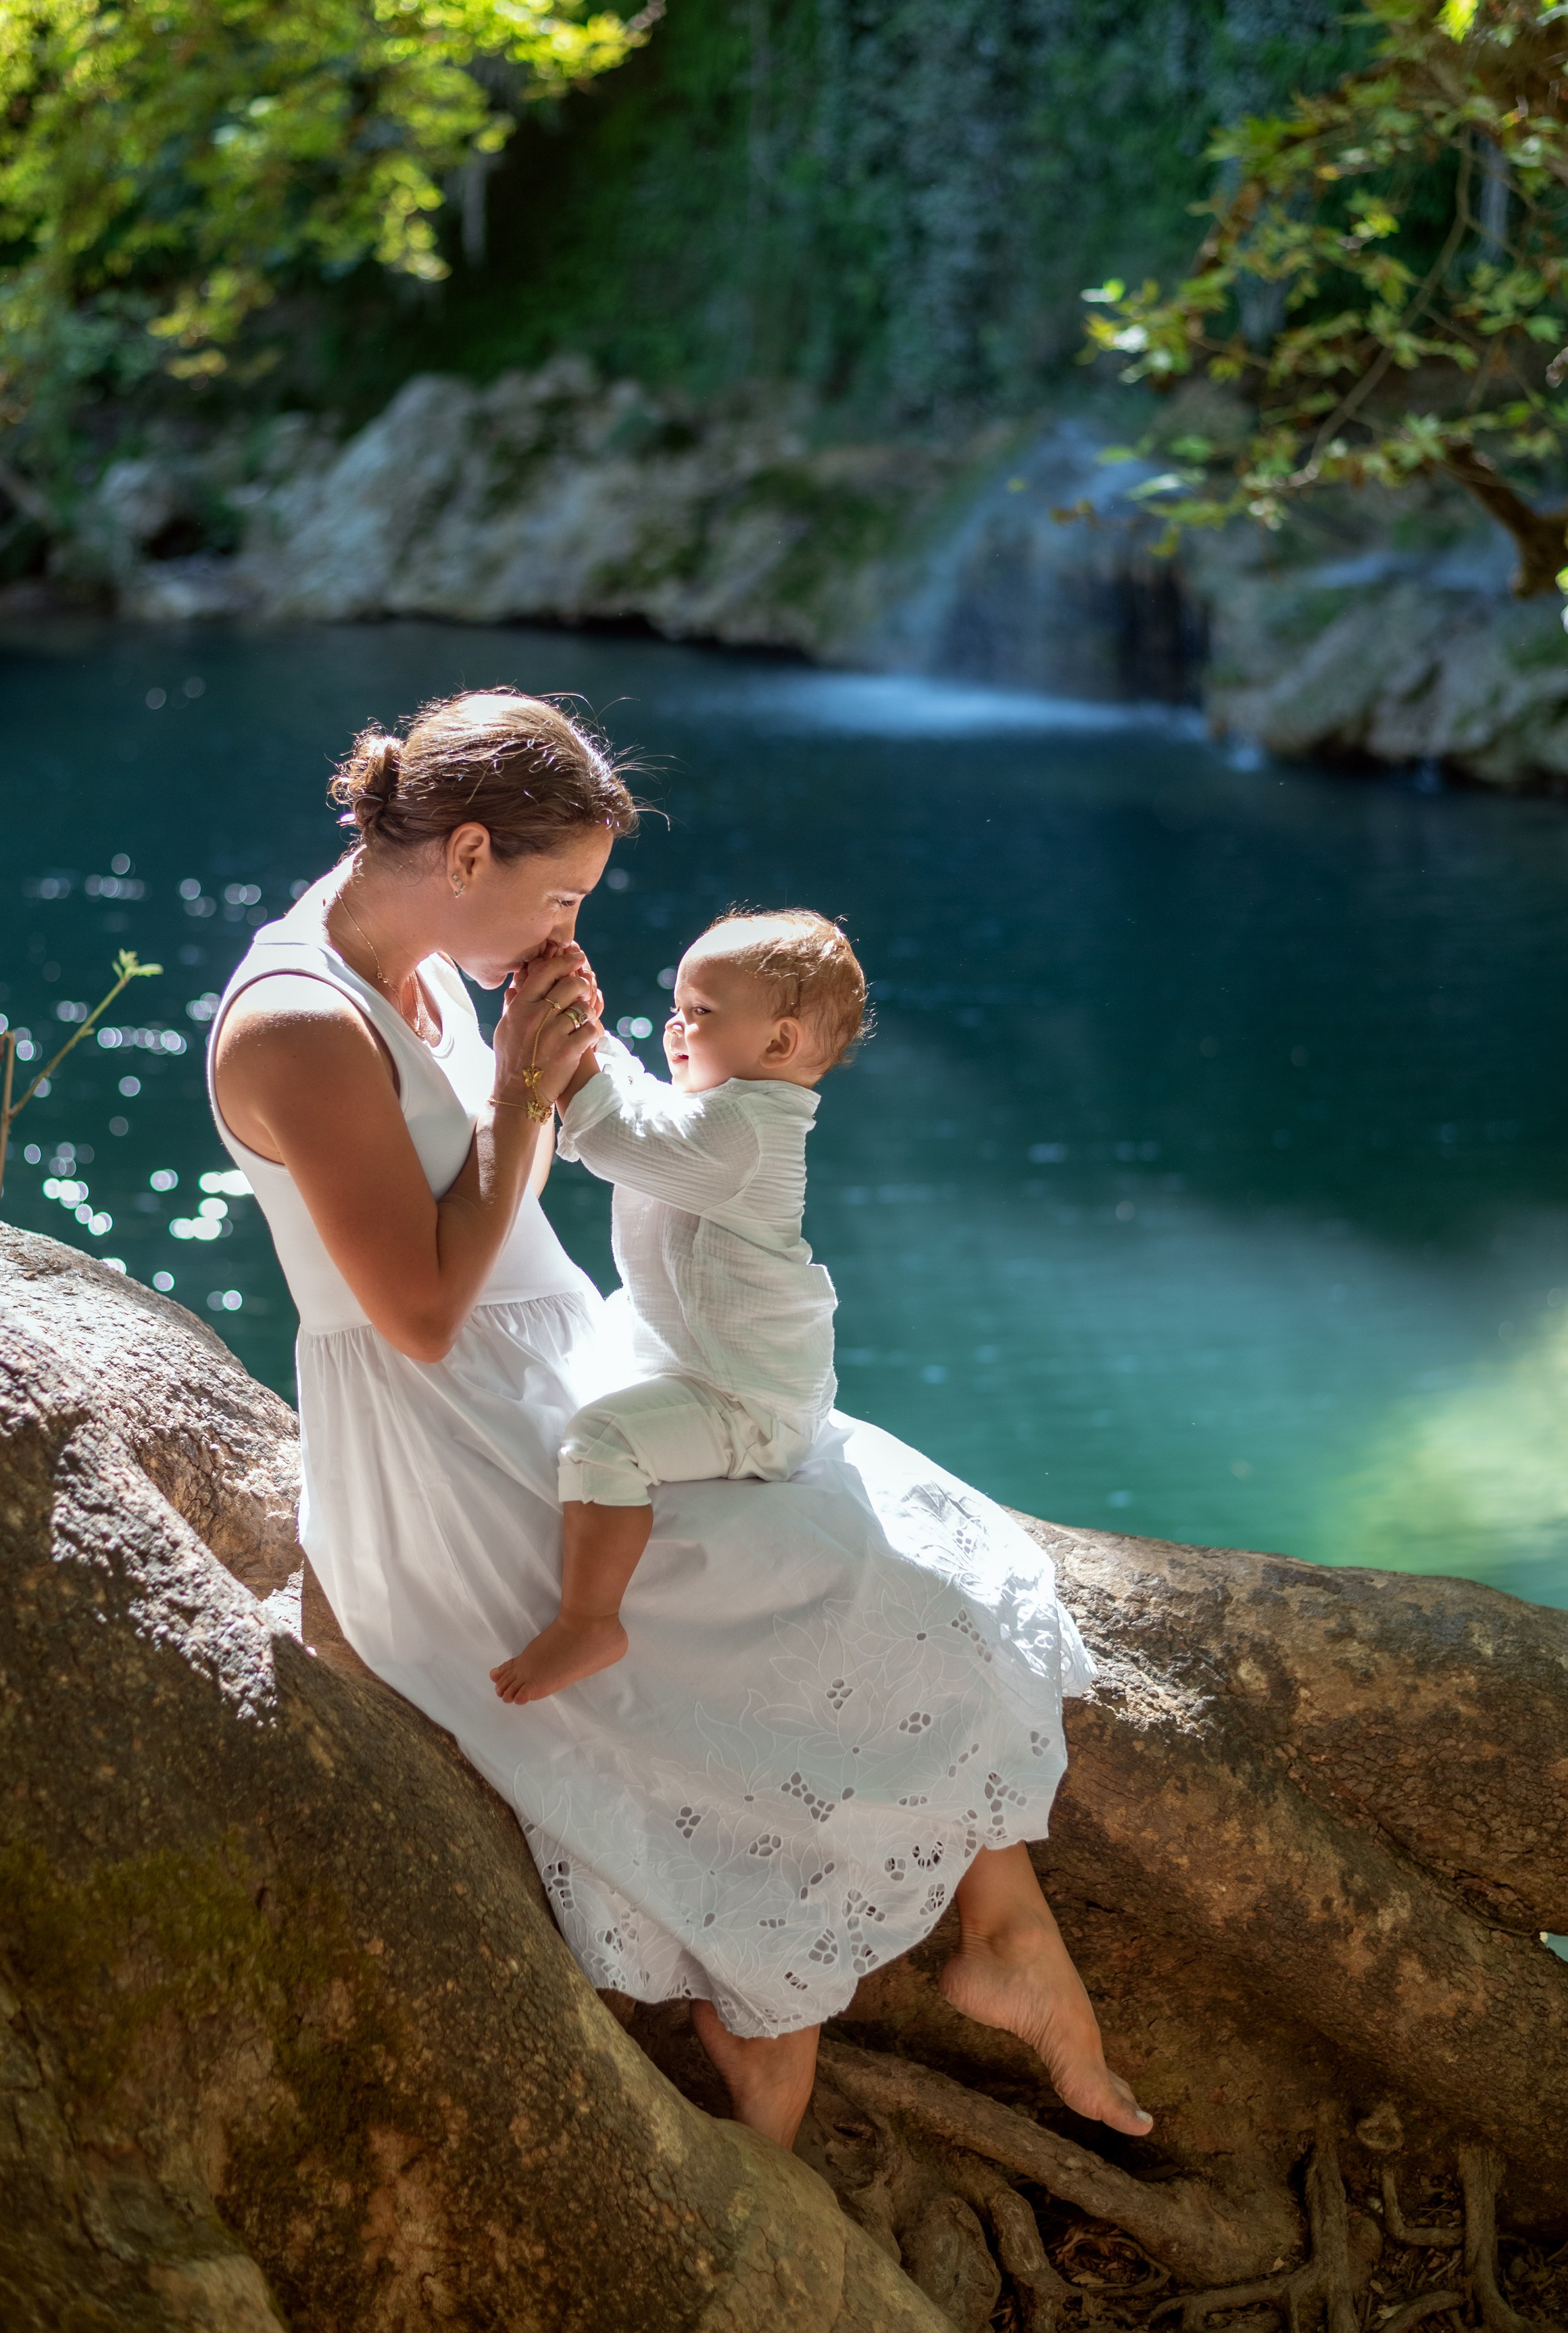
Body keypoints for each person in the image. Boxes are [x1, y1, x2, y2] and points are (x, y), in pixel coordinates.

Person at [208, 686, 1152, 2152]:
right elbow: (419, 1311)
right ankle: (770, 2007)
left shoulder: (432, 960)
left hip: (560, 1366)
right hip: (449, 1441)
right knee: (837, 1583)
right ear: (464, 854)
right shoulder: (297, 1024)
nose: (572, 926)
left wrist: (561, 1085)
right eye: (562, 892)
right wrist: (527, 1097)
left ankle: (997, 1939)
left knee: (898, 1545)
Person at [490, 908, 863, 1705]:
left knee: (600, 1441)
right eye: (676, 1006)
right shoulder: (724, 1112)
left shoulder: (747, 1135)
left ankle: (591, 1619)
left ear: (779, 1044)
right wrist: (583, 1025)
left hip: (741, 1393)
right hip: (709, 1356)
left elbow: (625, 1140)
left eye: (701, 1012)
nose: (674, 1024)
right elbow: (643, 1107)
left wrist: (571, 1057)